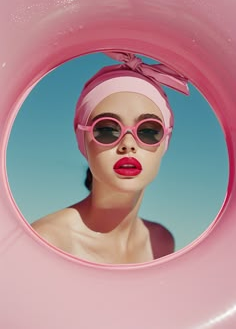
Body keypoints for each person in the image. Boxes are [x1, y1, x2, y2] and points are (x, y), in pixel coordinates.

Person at [31, 51, 189, 264]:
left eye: (148, 131)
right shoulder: (47, 241)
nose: (128, 145)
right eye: (107, 130)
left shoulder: (161, 242)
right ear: (83, 142)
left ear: (164, 144)